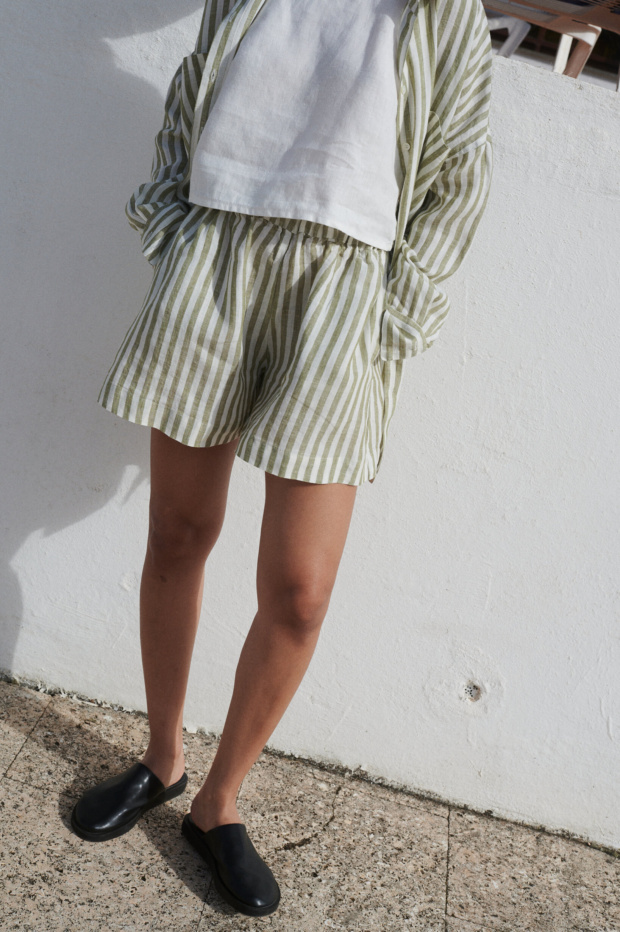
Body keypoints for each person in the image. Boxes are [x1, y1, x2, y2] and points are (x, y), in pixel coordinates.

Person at [71, 0, 494, 918]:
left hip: (345, 285)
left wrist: (394, 315)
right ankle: (162, 759)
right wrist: (168, 225)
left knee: (300, 589)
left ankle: (218, 806)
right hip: (217, 250)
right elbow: (190, 96)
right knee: (178, 533)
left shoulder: (441, 9)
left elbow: (460, 165)